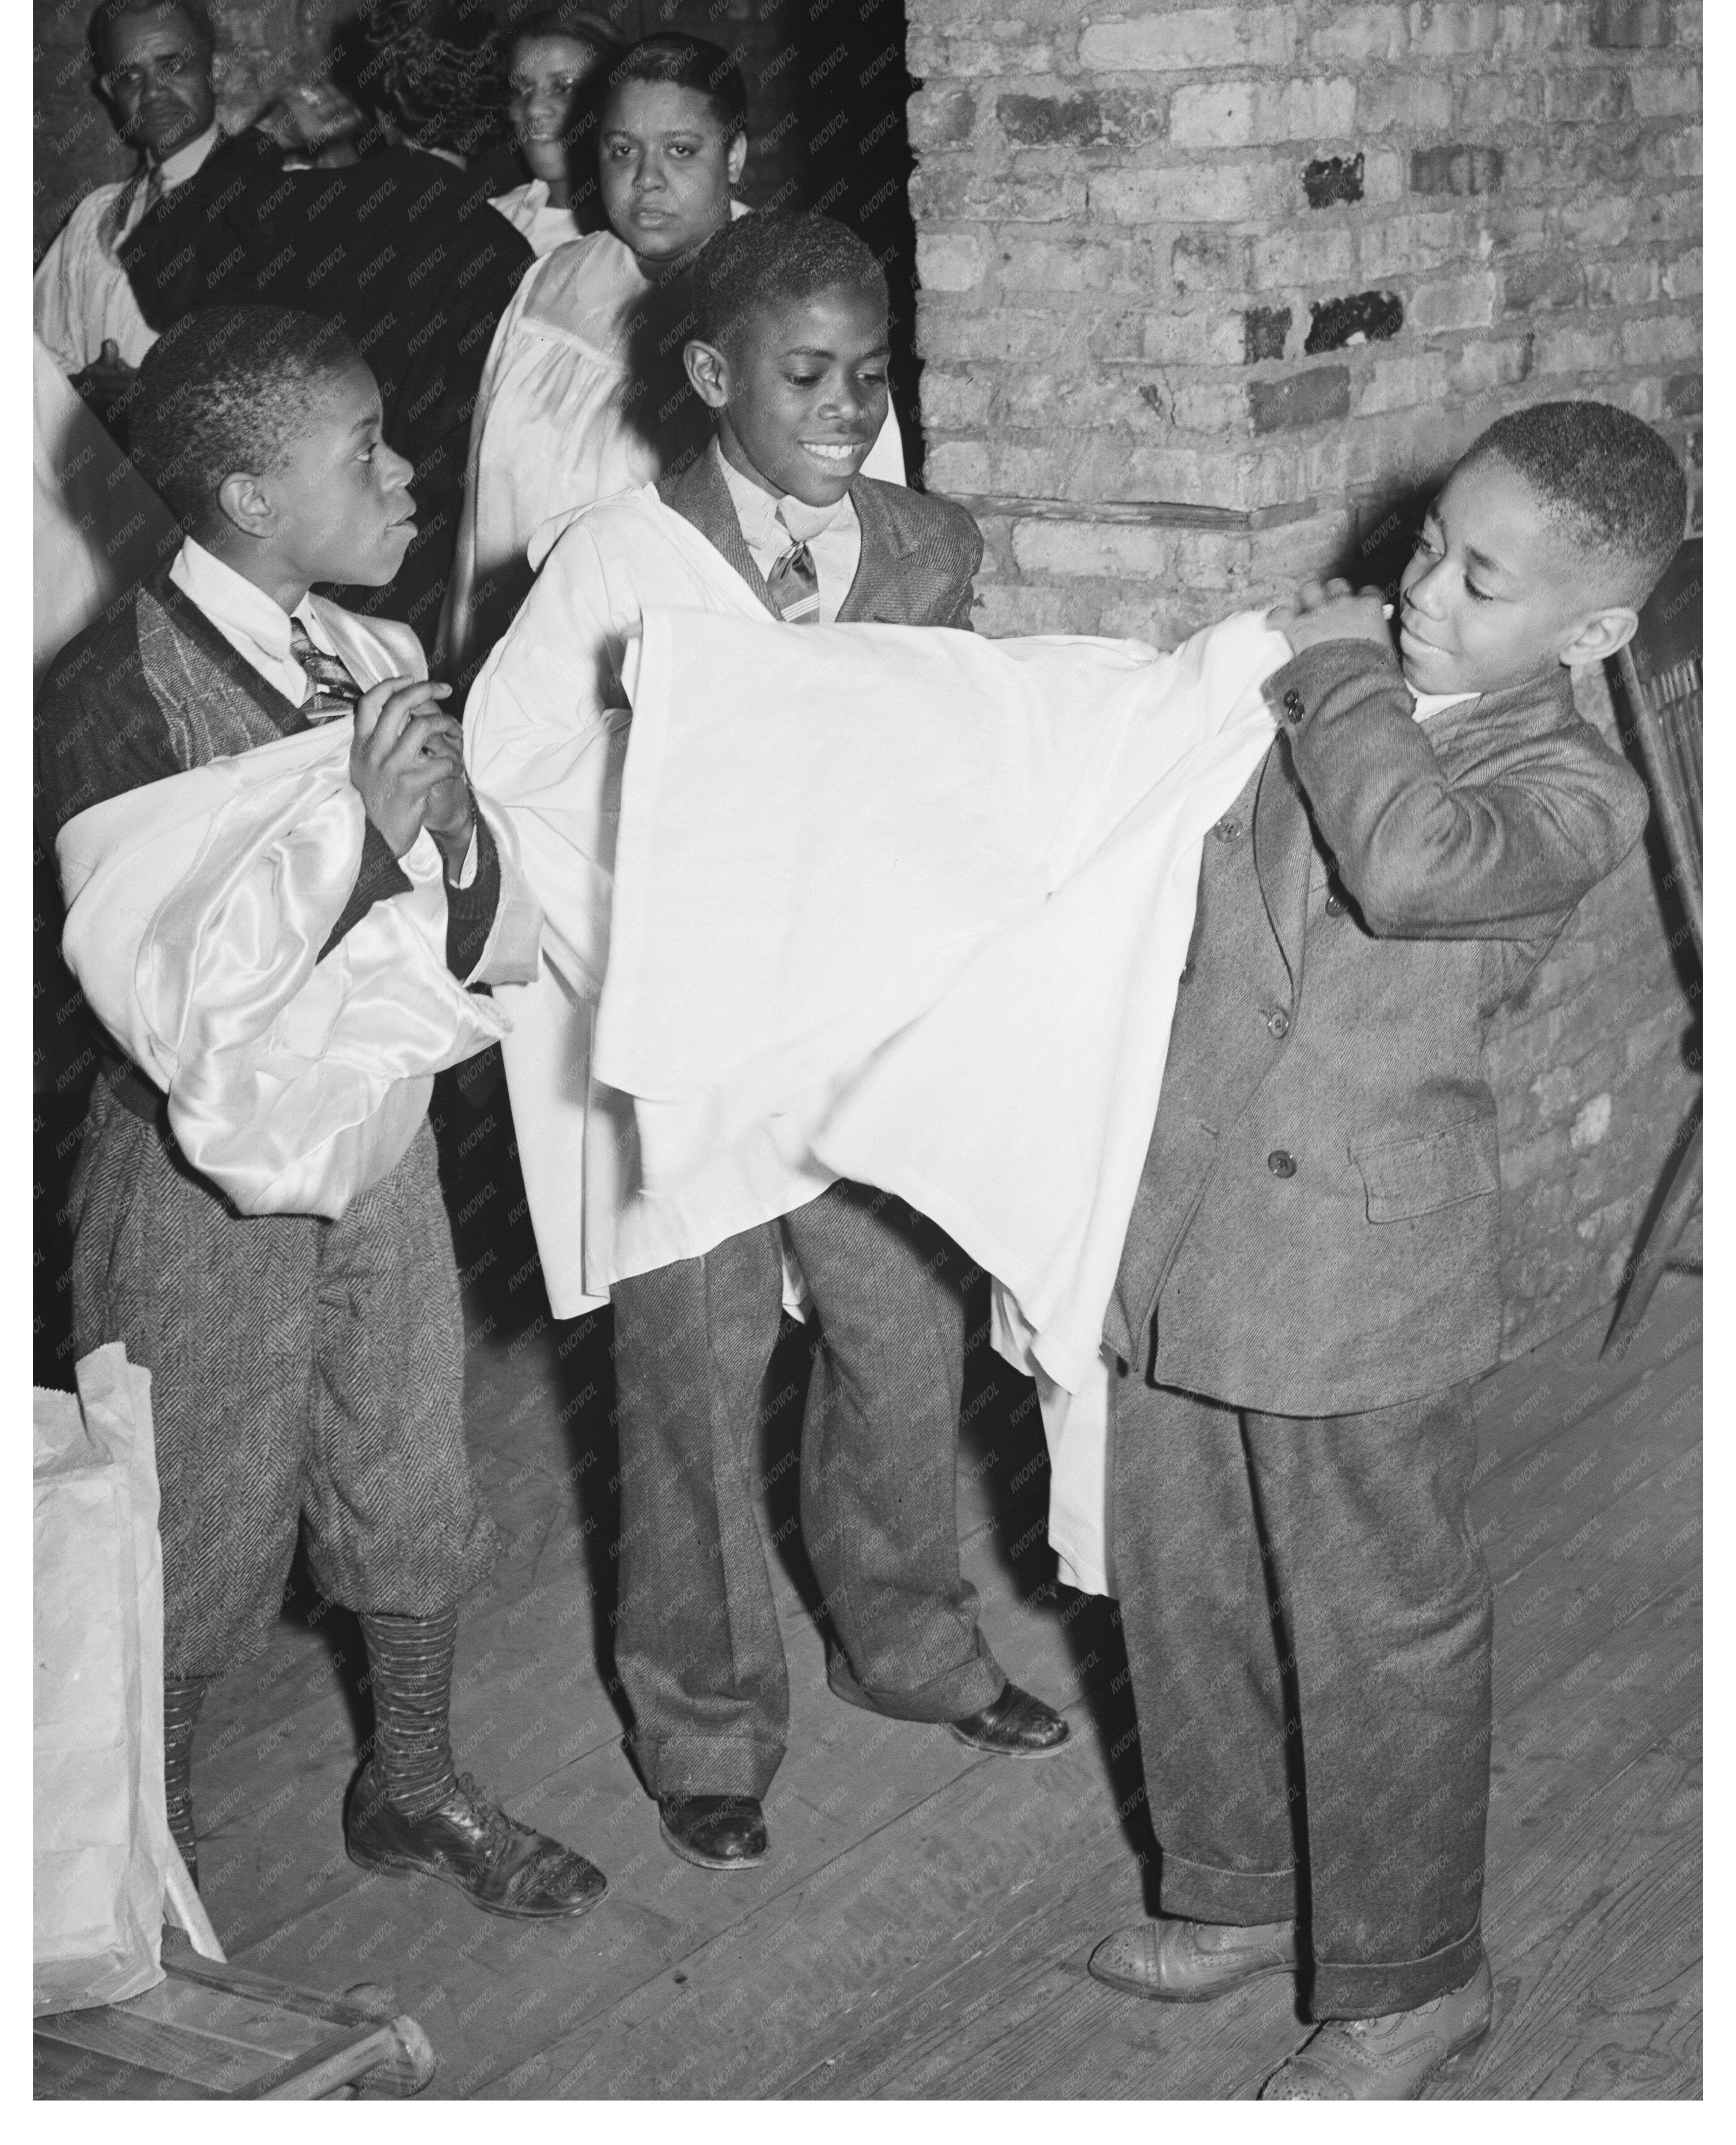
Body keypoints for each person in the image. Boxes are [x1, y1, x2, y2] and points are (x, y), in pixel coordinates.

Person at [1085, 400, 1685, 2099]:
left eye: (1480, 581)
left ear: (1593, 631)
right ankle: (1233, 1883)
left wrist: (1337, 670)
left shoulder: (1570, 787)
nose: (1422, 590)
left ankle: (1419, 1981)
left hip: (1361, 1264)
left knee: (1383, 1632)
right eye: (1428, 542)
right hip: (1193, 1209)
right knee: (1183, 1566)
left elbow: (1410, 866)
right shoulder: (1337, 688)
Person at [465, 211, 1069, 1872]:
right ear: (711, 375)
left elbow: (957, 755)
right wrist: (660, 863)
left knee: (901, 1338)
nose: (845, 404)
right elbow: (504, 771)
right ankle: (704, 1717)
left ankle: (909, 1639)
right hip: (689, 1039)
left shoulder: (925, 544)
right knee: (689, 1365)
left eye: (869, 374)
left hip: (862, 1030)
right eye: (802, 374)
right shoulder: (613, 561)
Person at [36, 305, 606, 1923]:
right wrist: (364, 833)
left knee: (411, 1465)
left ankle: (411, 1784)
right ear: (245, 500)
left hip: (377, 1145)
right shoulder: (113, 694)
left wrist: (449, 834)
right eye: (362, 452)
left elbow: (473, 909)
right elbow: (169, 996)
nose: (407, 470)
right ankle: (144, 1872)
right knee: (188, 1524)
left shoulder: (364, 656)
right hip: (193, 1191)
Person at [439, 30, 905, 677]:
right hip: (537, 663)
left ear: (734, 156)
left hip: (708, 671)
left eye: (681, 151)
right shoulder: (549, 285)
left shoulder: (794, 292)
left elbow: (860, 516)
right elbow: (486, 510)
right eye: (622, 150)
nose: (647, 180)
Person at [118, 0, 535, 652]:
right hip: (426, 587)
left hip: (276, 567)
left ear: (377, 102)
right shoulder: (508, 254)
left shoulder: (303, 207)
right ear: (494, 108)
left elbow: (163, 263)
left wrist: (266, 137)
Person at [34, 0, 224, 425]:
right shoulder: (94, 220)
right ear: (108, 90)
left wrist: (160, 392)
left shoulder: (274, 196)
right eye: (130, 76)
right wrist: (82, 389)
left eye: (172, 66)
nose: (154, 91)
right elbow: (34, 358)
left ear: (217, 69)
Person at [490, 10, 623, 255]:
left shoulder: (638, 237)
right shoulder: (494, 220)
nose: (534, 110)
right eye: (521, 90)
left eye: (563, 88)